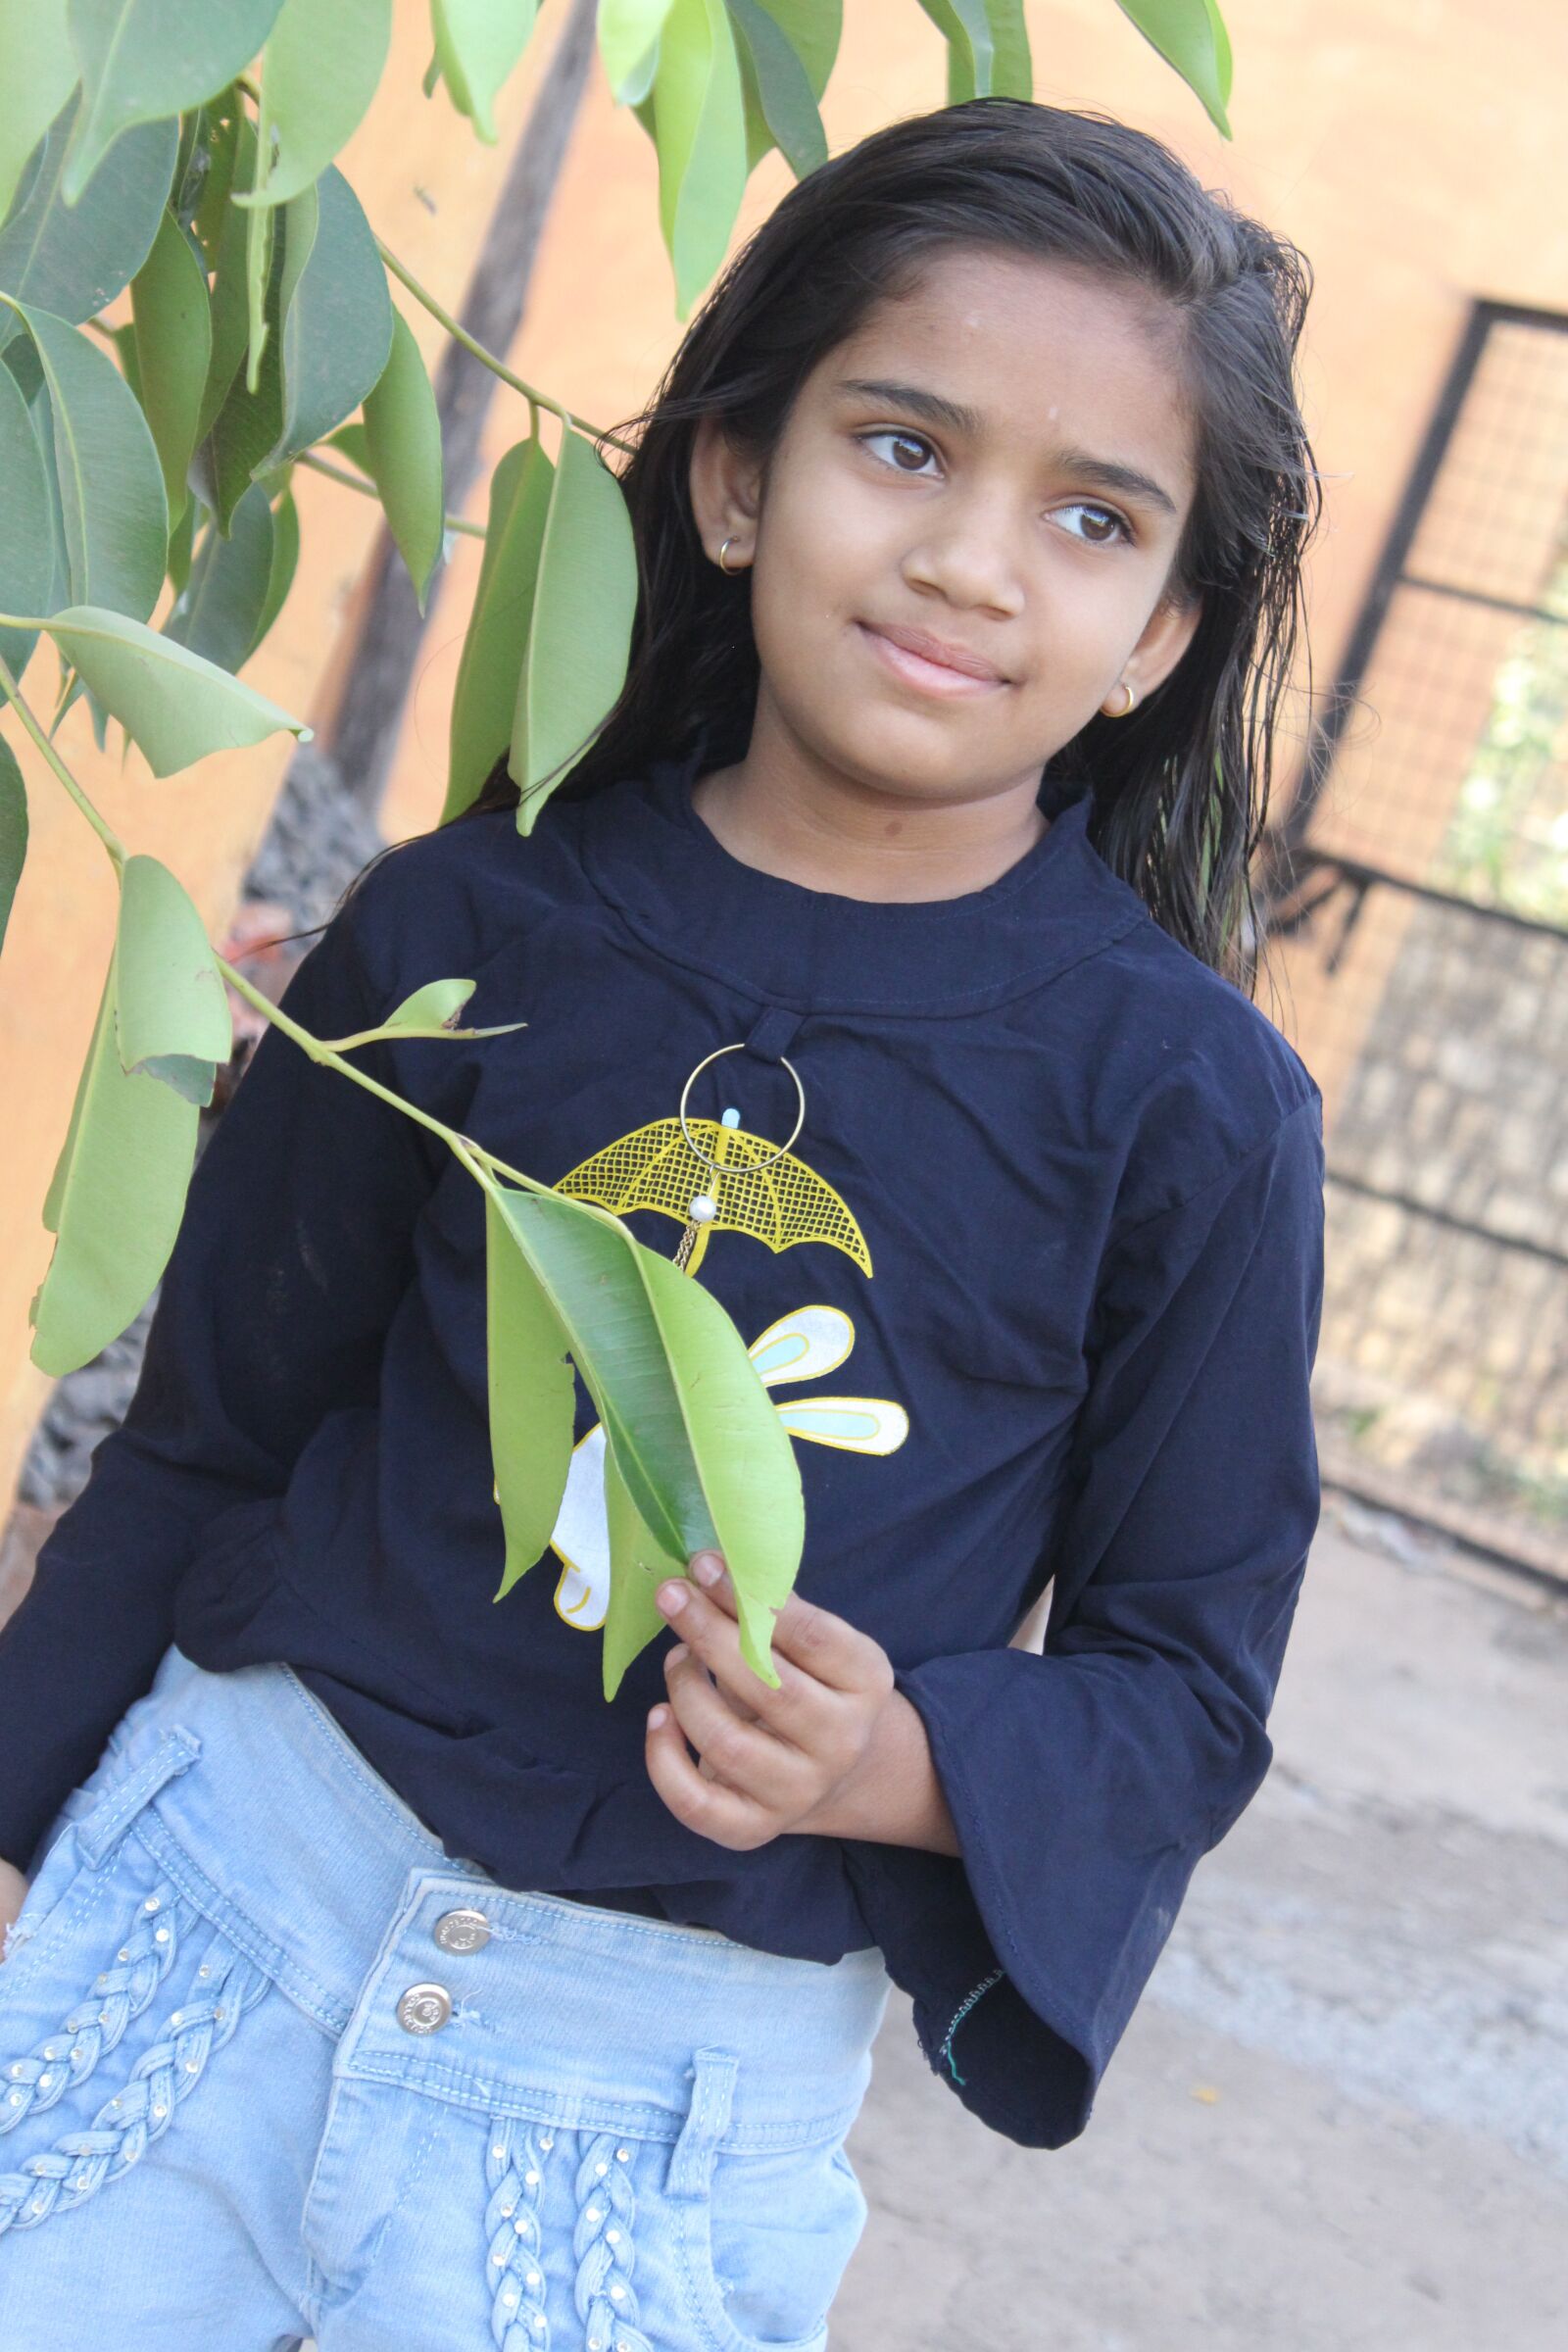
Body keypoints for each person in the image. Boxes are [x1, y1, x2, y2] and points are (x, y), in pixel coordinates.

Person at [0, 95, 1326, 2349]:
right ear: (732, 477)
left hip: (639, 2114)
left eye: (1087, 518)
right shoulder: (463, 922)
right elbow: (213, 1430)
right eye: (900, 447)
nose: (970, 563)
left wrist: (898, 1765)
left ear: (1152, 634)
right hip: (209, 1919)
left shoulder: (1186, 1109)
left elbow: (1181, 1688)